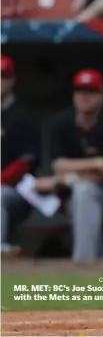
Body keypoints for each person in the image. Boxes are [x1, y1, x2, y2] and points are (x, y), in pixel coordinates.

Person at [48, 69, 103, 261]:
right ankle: (101, 267)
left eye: (90, 91)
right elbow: (58, 166)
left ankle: (82, 264)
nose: (84, 96)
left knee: (84, 191)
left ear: (102, 95)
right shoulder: (61, 122)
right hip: (78, 197)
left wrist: (71, 176)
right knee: (84, 195)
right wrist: (96, 162)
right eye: (80, 91)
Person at [0, 55, 41, 255]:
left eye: (2, 76)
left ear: (12, 81)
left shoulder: (22, 116)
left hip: (19, 191)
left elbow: (23, 165)